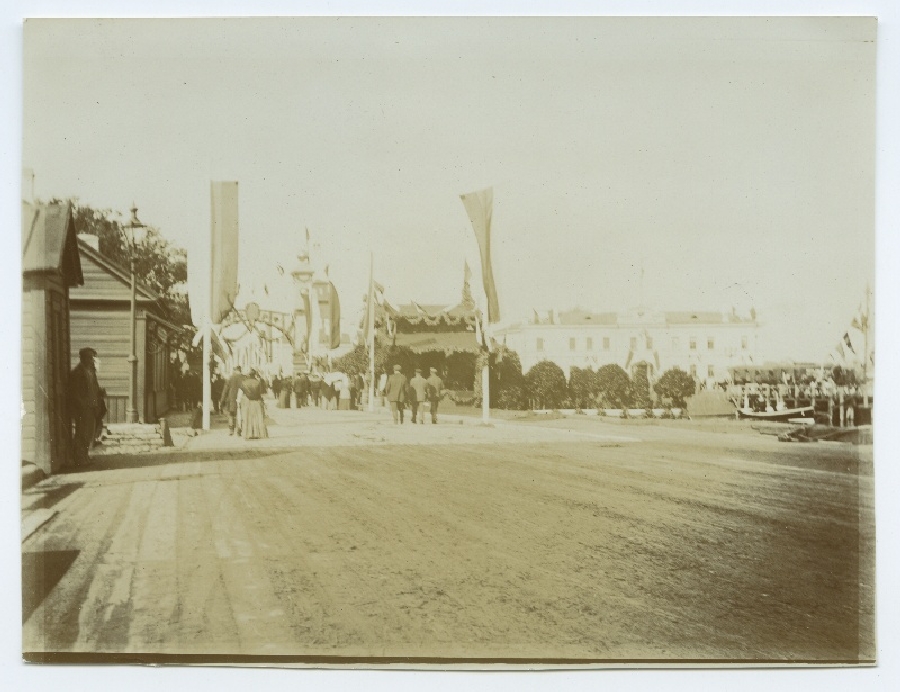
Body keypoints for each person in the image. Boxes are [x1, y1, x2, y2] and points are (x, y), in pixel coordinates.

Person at [68, 347, 102, 467]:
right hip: (83, 407)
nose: (91, 360)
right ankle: (79, 458)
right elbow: (76, 392)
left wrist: (97, 401)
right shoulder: (78, 372)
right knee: (81, 432)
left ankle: (85, 455)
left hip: (92, 406)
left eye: (92, 357)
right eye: (89, 357)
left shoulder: (91, 371)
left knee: (88, 433)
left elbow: (94, 388)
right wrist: (82, 404)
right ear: (83, 358)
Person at [219, 365, 244, 435]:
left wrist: (222, 400)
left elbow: (225, 390)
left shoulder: (230, 378)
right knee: (240, 414)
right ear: (240, 370)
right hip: (241, 398)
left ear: (235, 370)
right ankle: (239, 429)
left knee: (231, 414)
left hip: (231, 399)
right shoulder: (244, 377)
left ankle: (231, 430)